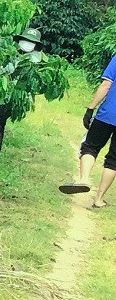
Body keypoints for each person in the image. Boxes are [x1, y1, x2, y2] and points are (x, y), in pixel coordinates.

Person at [59, 54, 116, 208]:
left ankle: (84, 179)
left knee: (90, 146)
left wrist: (90, 108)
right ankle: (99, 200)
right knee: (114, 160)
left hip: (107, 114)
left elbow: (106, 85)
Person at [0, 28, 43, 162]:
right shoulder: (16, 54)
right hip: (4, 94)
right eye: (25, 40)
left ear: (35, 45)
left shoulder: (33, 60)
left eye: (31, 41)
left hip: (13, 97)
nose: (27, 43)